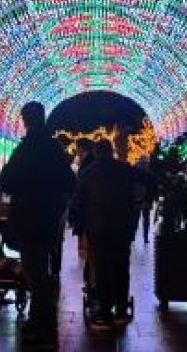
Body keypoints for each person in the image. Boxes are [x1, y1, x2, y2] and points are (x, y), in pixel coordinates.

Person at [0, 102, 76, 347]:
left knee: (35, 271)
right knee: (40, 268)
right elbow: (70, 182)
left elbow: (6, 181)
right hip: (49, 218)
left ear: (26, 120)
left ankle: (42, 321)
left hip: (29, 217)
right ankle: (41, 318)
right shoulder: (54, 149)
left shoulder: (27, 148)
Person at [72, 140, 143, 330]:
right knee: (121, 266)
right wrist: (138, 207)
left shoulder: (86, 173)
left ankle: (104, 312)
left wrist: (79, 225)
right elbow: (147, 182)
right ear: (111, 152)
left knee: (101, 268)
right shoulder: (126, 169)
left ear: (95, 153)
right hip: (122, 228)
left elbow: (78, 201)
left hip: (98, 228)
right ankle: (121, 310)